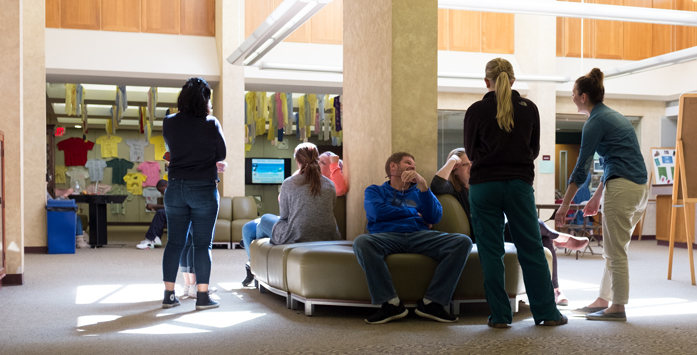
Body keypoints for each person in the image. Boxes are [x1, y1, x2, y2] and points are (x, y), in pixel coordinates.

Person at [463, 58, 567, 328]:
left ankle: (499, 316)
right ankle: (547, 313)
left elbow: (471, 153)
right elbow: (533, 151)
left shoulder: (475, 110)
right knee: (531, 249)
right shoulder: (529, 108)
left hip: (484, 186)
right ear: (513, 80)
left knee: (490, 251)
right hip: (519, 186)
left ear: (487, 82)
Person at [430, 148, 588, 306]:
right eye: (465, 164)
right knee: (524, 224)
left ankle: (555, 289)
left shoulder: (480, 188)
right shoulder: (454, 189)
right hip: (482, 235)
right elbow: (436, 185)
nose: (471, 168)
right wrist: (452, 161)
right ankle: (559, 238)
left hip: (497, 230)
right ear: (455, 170)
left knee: (541, 237)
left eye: (473, 163)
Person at [556, 68, 650, 322]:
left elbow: (581, 168)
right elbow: (616, 161)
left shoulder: (595, 122)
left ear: (583, 97)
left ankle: (617, 306)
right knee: (615, 248)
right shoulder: (613, 116)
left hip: (623, 188)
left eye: (573, 94)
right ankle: (603, 299)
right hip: (638, 187)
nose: (572, 97)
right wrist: (597, 196)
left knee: (615, 251)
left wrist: (564, 206)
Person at [352, 152, 473, 325]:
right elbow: (377, 212)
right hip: (386, 237)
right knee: (362, 242)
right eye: (408, 163)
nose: (413, 167)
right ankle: (391, 303)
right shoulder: (375, 191)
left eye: (414, 165)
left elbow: (434, 217)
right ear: (393, 166)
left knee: (462, 241)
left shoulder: (421, 191)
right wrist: (413, 212)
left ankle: (433, 302)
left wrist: (423, 186)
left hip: (420, 236)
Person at [161, 76, 226, 311]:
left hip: (176, 188)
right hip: (204, 189)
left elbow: (174, 149)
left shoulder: (168, 122)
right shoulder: (210, 123)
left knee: (174, 243)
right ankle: (202, 297)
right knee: (202, 245)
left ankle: (169, 295)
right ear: (205, 100)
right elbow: (222, 153)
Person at [241, 143, 342, 287]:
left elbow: (284, 216)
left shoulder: (289, 183)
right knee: (253, 228)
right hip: (328, 235)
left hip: (297, 235)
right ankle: (256, 269)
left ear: (297, 160)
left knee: (263, 220)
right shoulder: (330, 184)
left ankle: (257, 270)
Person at [137, 179, 169, 249]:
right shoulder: (169, 194)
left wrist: (154, 206)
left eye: (162, 190)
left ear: (166, 186)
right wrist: (154, 207)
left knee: (160, 213)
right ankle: (154, 238)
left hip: (183, 214)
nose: (162, 193)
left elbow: (171, 206)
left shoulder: (174, 191)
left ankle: (151, 239)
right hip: (177, 213)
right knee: (160, 213)